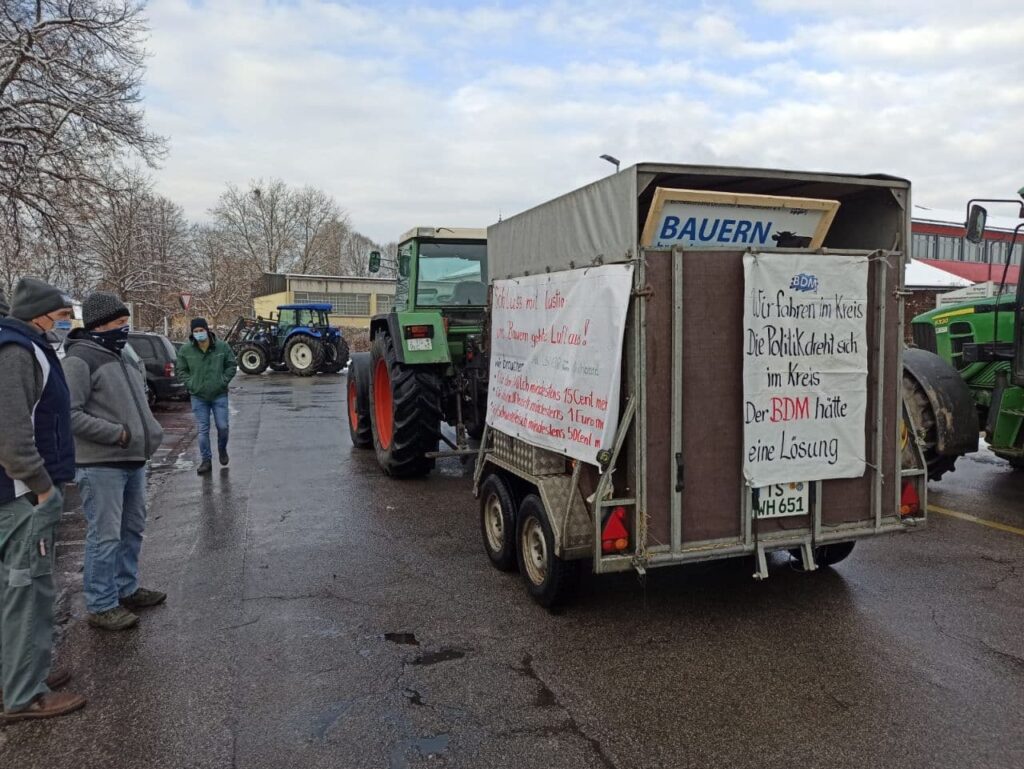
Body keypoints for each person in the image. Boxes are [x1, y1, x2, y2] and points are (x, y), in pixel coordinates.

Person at [0, 277, 86, 722]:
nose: (64, 321)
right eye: (59, 313)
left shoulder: (25, 346)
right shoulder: (15, 353)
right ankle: (22, 695)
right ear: (38, 314)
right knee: (26, 592)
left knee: (20, 590)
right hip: (24, 497)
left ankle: (23, 672)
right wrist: (42, 487)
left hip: (21, 494)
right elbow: (13, 437)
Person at [63, 293, 166, 631]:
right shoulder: (80, 360)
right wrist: (118, 434)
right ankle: (101, 603)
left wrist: (148, 431)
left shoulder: (121, 354)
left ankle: (126, 587)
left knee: (132, 528)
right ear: (99, 325)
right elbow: (69, 414)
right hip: (101, 463)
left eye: (126, 323)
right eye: (120, 323)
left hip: (133, 459)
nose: (125, 329)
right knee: (105, 536)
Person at [176, 318, 237, 475]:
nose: (199, 334)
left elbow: (231, 365)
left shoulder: (222, 347)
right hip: (198, 396)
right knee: (203, 429)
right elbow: (181, 370)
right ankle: (206, 460)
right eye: (195, 331)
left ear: (207, 330)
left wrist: (223, 381)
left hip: (219, 394)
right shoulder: (186, 350)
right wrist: (191, 384)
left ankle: (222, 449)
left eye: (201, 330)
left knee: (223, 426)